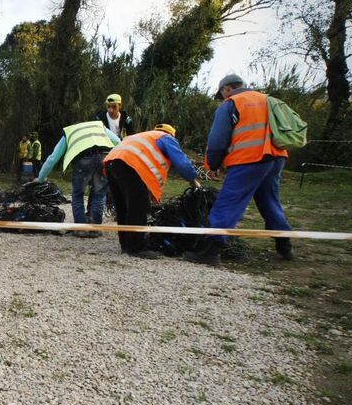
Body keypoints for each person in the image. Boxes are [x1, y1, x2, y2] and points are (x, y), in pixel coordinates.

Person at [183, 74, 293, 265]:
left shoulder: (232, 103)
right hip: (276, 157)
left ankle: (211, 250)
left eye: (222, 94)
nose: (223, 97)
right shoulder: (268, 100)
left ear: (226, 89)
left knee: (228, 202)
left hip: (249, 159)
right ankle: (285, 245)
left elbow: (217, 139)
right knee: (269, 200)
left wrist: (214, 165)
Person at [103, 124, 200, 258]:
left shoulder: (143, 136)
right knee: (138, 207)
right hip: (130, 164)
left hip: (111, 162)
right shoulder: (166, 138)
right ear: (172, 134)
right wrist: (193, 180)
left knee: (123, 207)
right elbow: (182, 163)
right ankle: (136, 248)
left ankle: (126, 245)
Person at [36, 120, 121, 236]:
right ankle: (95, 229)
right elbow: (117, 141)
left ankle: (81, 229)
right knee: (99, 195)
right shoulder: (98, 126)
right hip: (103, 157)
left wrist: (40, 178)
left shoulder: (69, 132)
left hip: (83, 160)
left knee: (77, 195)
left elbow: (53, 158)